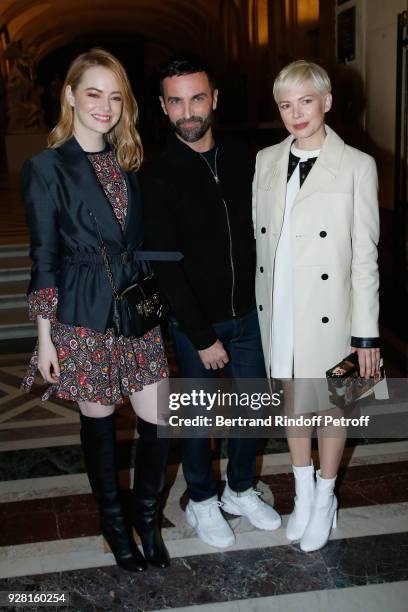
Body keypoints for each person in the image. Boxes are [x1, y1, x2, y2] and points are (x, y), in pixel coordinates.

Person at [20, 48, 171, 571]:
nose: (105, 106)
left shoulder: (130, 160)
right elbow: (43, 256)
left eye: (114, 96)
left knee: (159, 418)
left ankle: (147, 518)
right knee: (100, 424)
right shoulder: (45, 168)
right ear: (70, 96)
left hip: (134, 305)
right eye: (93, 93)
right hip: (82, 311)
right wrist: (45, 338)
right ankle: (115, 524)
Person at [141, 56, 281, 549]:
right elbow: (165, 267)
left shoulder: (245, 156)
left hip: (251, 315)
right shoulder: (156, 174)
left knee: (254, 410)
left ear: (214, 98)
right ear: (162, 106)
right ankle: (202, 499)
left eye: (196, 98)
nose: (188, 111)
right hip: (194, 323)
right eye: (175, 101)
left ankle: (239, 489)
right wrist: (202, 336)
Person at [253, 60, 381, 552]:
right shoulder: (266, 159)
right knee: (292, 402)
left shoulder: (357, 165)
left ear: (327, 102)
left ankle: (326, 496)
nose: (295, 113)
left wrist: (366, 334)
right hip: (280, 304)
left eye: (306, 100)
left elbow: (366, 257)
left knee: (333, 407)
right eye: (285, 104)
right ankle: (302, 492)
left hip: (336, 311)